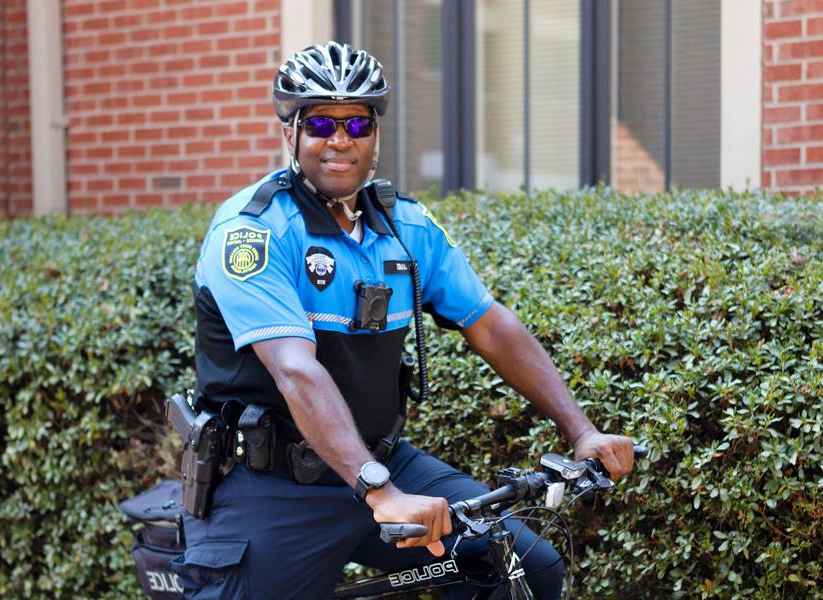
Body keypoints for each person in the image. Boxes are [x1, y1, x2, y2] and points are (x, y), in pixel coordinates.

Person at [171, 41, 634, 600]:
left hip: (381, 462)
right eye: (320, 121)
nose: (340, 140)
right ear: (289, 133)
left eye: (357, 124)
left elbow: (488, 323)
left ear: (376, 135)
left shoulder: (404, 226)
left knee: (523, 569)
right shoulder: (255, 232)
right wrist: (377, 489)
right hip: (273, 487)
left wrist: (581, 429)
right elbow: (296, 371)